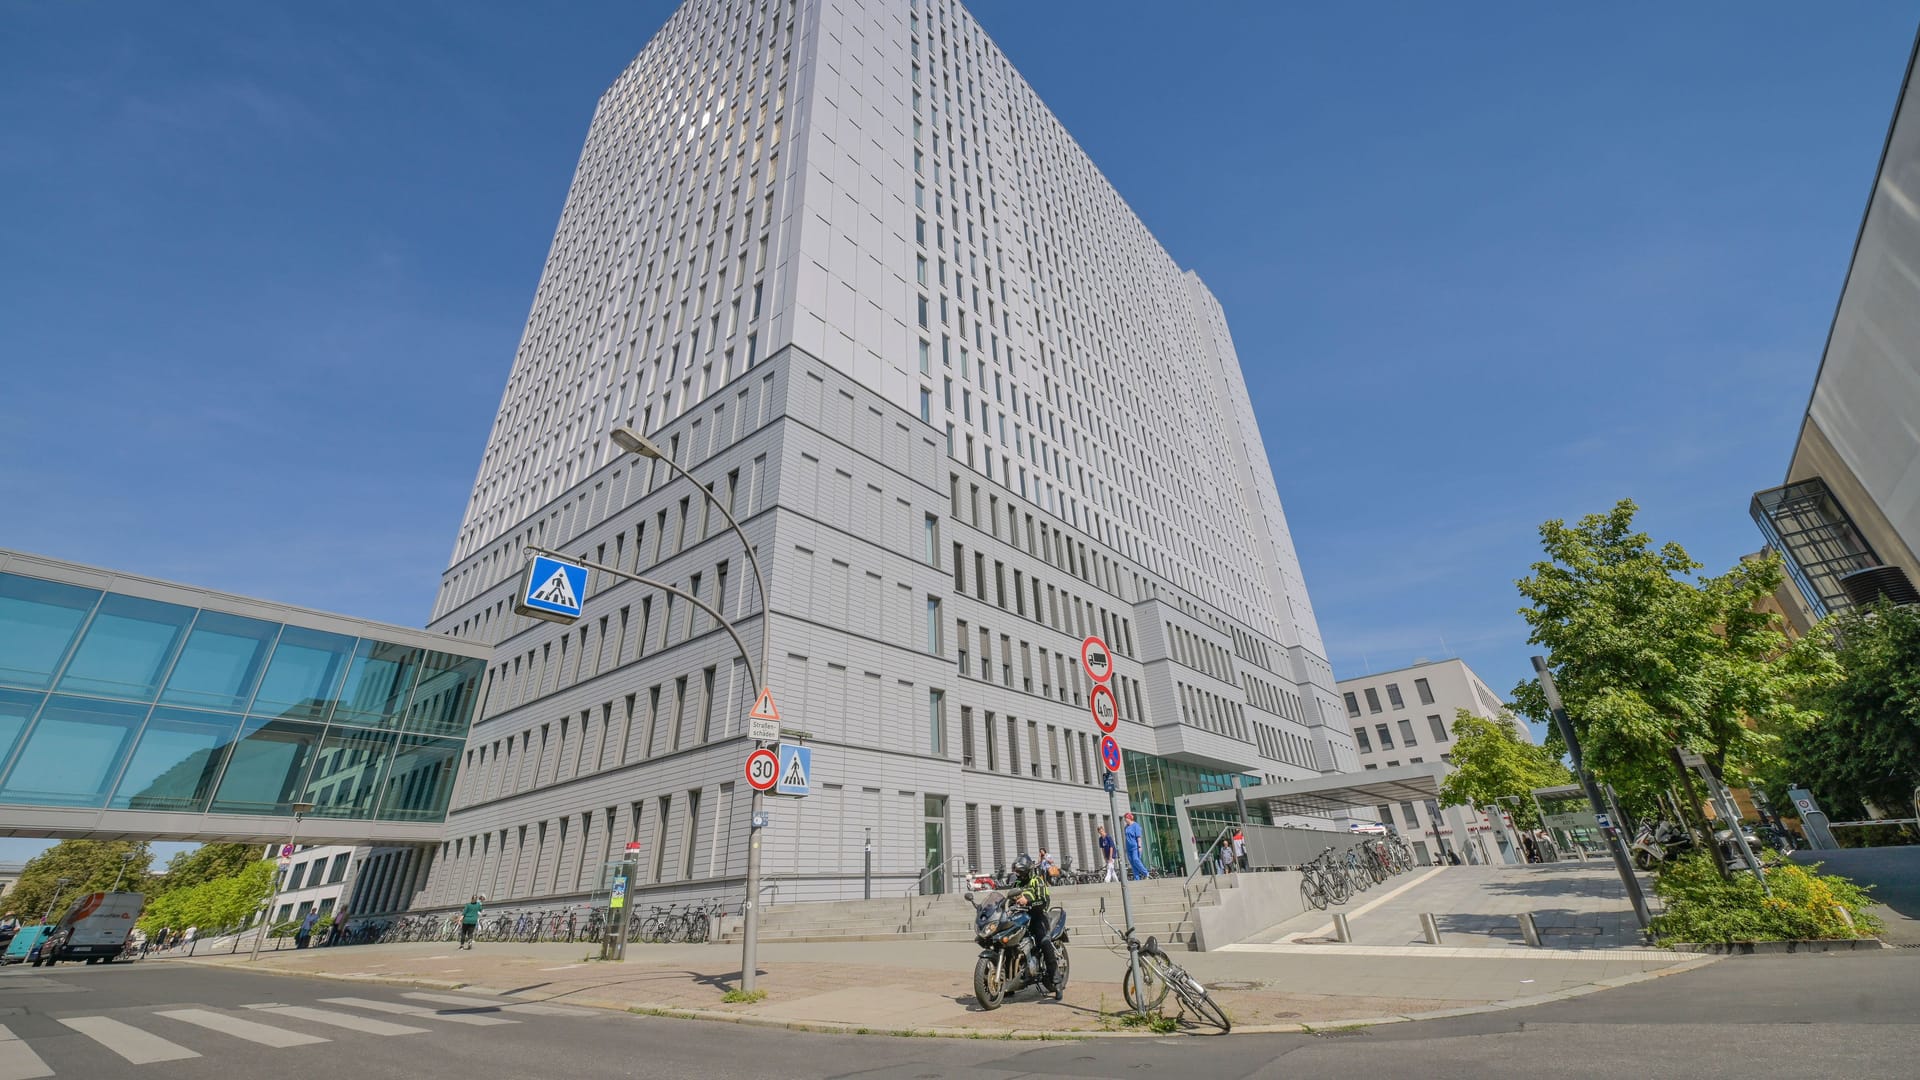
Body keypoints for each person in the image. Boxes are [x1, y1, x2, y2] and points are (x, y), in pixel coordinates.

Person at [1005, 854, 1059, 995]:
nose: (1018, 874)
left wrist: (1028, 902)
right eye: (1016, 871)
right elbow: (1010, 901)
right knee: (1007, 943)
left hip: (1037, 916)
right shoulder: (1016, 884)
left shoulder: (1037, 881)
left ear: (1028, 870)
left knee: (1044, 941)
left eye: (1020, 871)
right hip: (1020, 918)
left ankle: (1056, 979)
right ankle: (1008, 983)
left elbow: (1044, 901)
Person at [1123, 813, 1150, 880]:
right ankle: (1136, 878)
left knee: (1136, 860)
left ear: (1129, 818)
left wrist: (1140, 846)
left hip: (1135, 847)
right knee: (1132, 863)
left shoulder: (1136, 826)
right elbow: (1127, 837)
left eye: (1125, 818)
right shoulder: (1126, 827)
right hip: (1128, 847)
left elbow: (1138, 837)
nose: (1125, 820)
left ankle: (1146, 873)